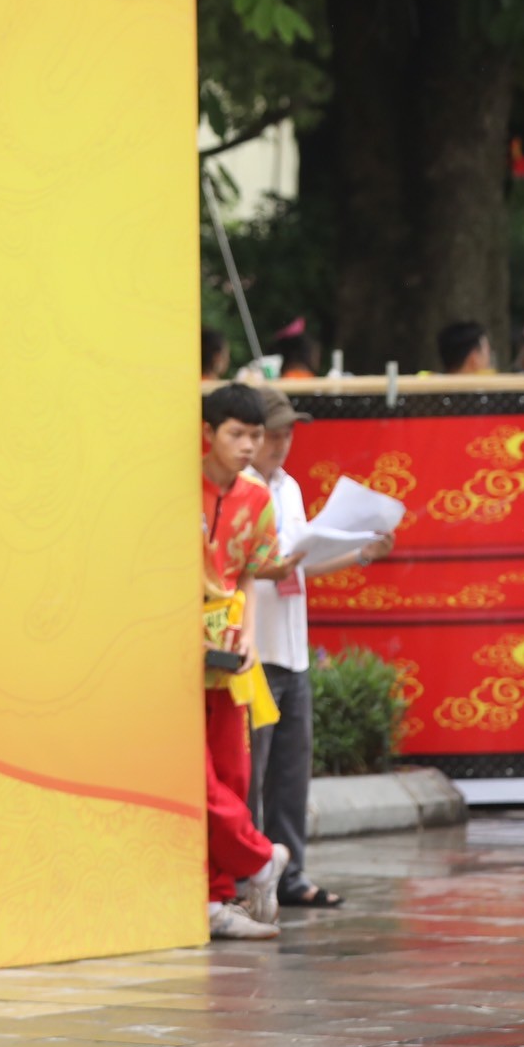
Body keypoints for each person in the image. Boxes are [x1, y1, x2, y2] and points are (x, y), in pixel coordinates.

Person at [247, 386, 392, 911]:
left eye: (289, 434)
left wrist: (359, 554)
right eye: (274, 433)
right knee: (251, 772)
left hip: (292, 646)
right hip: (255, 647)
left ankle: (291, 875)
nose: (283, 444)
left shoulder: (288, 488)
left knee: (290, 770)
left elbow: (299, 561)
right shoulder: (243, 490)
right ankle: (249, 876)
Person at [200, 384, 290, 940]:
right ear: (207, 433)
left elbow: (254, 573)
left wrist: (251, 635)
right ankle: (260, 859)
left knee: (232, 771)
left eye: (254, 436)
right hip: (174, 642)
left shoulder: (256, 498)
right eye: (237, 434)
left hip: (230, 643)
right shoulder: (178, 486)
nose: (248, 446)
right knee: (194, 771)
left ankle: (215, 899)